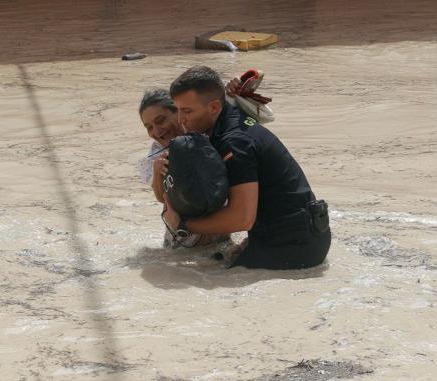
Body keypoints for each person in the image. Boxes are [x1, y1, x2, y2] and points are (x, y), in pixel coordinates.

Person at [163, 65, 331, 269]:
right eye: (178, 110)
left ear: (214, 107)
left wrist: (183, 225)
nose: (180, 120)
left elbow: (242, 218)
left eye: (187, 111)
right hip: (304, 235)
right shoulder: (229, 120)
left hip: (293, 248)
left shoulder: (236, 141)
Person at [138, 88, 227, 247]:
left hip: (218, 230)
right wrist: (157, 172)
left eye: (160, 120)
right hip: (180, 238)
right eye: (149, 127)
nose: (157, 131)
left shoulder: (203, 135)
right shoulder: (156, 154)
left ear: (178, 112)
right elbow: (161, 198)